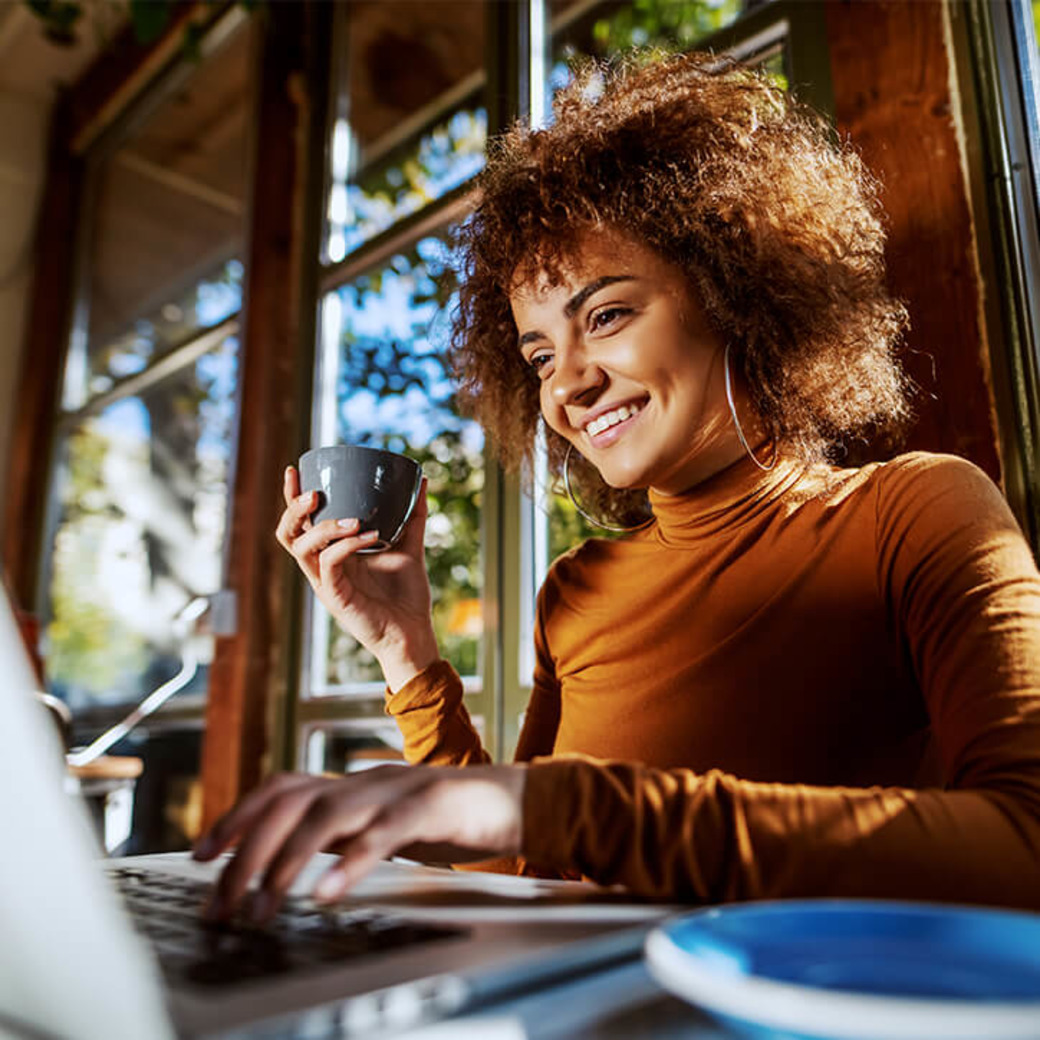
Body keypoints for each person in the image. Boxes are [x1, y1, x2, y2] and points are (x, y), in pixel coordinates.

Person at [195, 52, 1040, 922]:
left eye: (606, 316)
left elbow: (1027, 844)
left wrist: (567, 805)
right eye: (538, 355)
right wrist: (407, 655)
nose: (567, 385)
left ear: (736, 287)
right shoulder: (575, 591)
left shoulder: (915, 511)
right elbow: (529, 863)